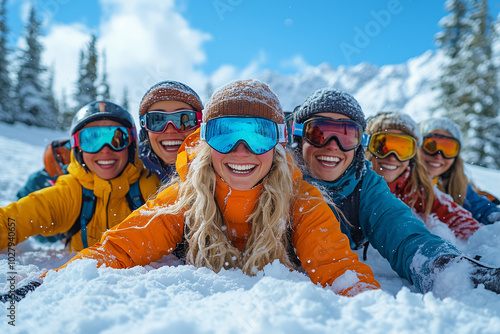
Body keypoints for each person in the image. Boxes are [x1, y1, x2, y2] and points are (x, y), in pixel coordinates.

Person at [47, 80, 381, 297]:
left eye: (258, 135)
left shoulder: (301, 200)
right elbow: (119, 249)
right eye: (224, 134)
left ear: (277, 145)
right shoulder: (185, 196)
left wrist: (372, 309)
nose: (241, 150)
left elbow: (339, 269)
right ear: (207, 142)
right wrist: (51, 282)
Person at [290, 87, 500, 294]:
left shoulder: (367, 185)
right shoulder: (280, 179)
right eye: (318, 133)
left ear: (359, 144)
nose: (333, 145)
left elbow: (402, 231)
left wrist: (447, 268)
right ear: (299, 136)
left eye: (347, 136)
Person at [0, 101, 160, 252]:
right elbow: (12, 222)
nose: (105, 150)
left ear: (131, 145)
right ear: (78, 149)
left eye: (117, 139)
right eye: (91, 140)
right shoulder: (70, 194)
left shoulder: (151, 188)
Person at [365, 111, 483, 241]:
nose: (392, 157)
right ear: (367, 147)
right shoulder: (352, 183)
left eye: (403, 149)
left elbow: (455, 216)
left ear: (413, 154)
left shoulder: (414, 186)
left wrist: (484, 239)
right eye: (382, 147)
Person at [420, 118, 500, 225]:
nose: (438, 155)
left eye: (448, 149)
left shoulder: (456, 184)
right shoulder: (403, 181)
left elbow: (482, 209)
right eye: (430, 146)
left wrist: (496, 217)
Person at [138, 80, 204, 183]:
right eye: (157, 120)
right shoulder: (130, 179)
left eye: (183, 119)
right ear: (145, 131)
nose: (170, 130)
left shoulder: (225, 177)